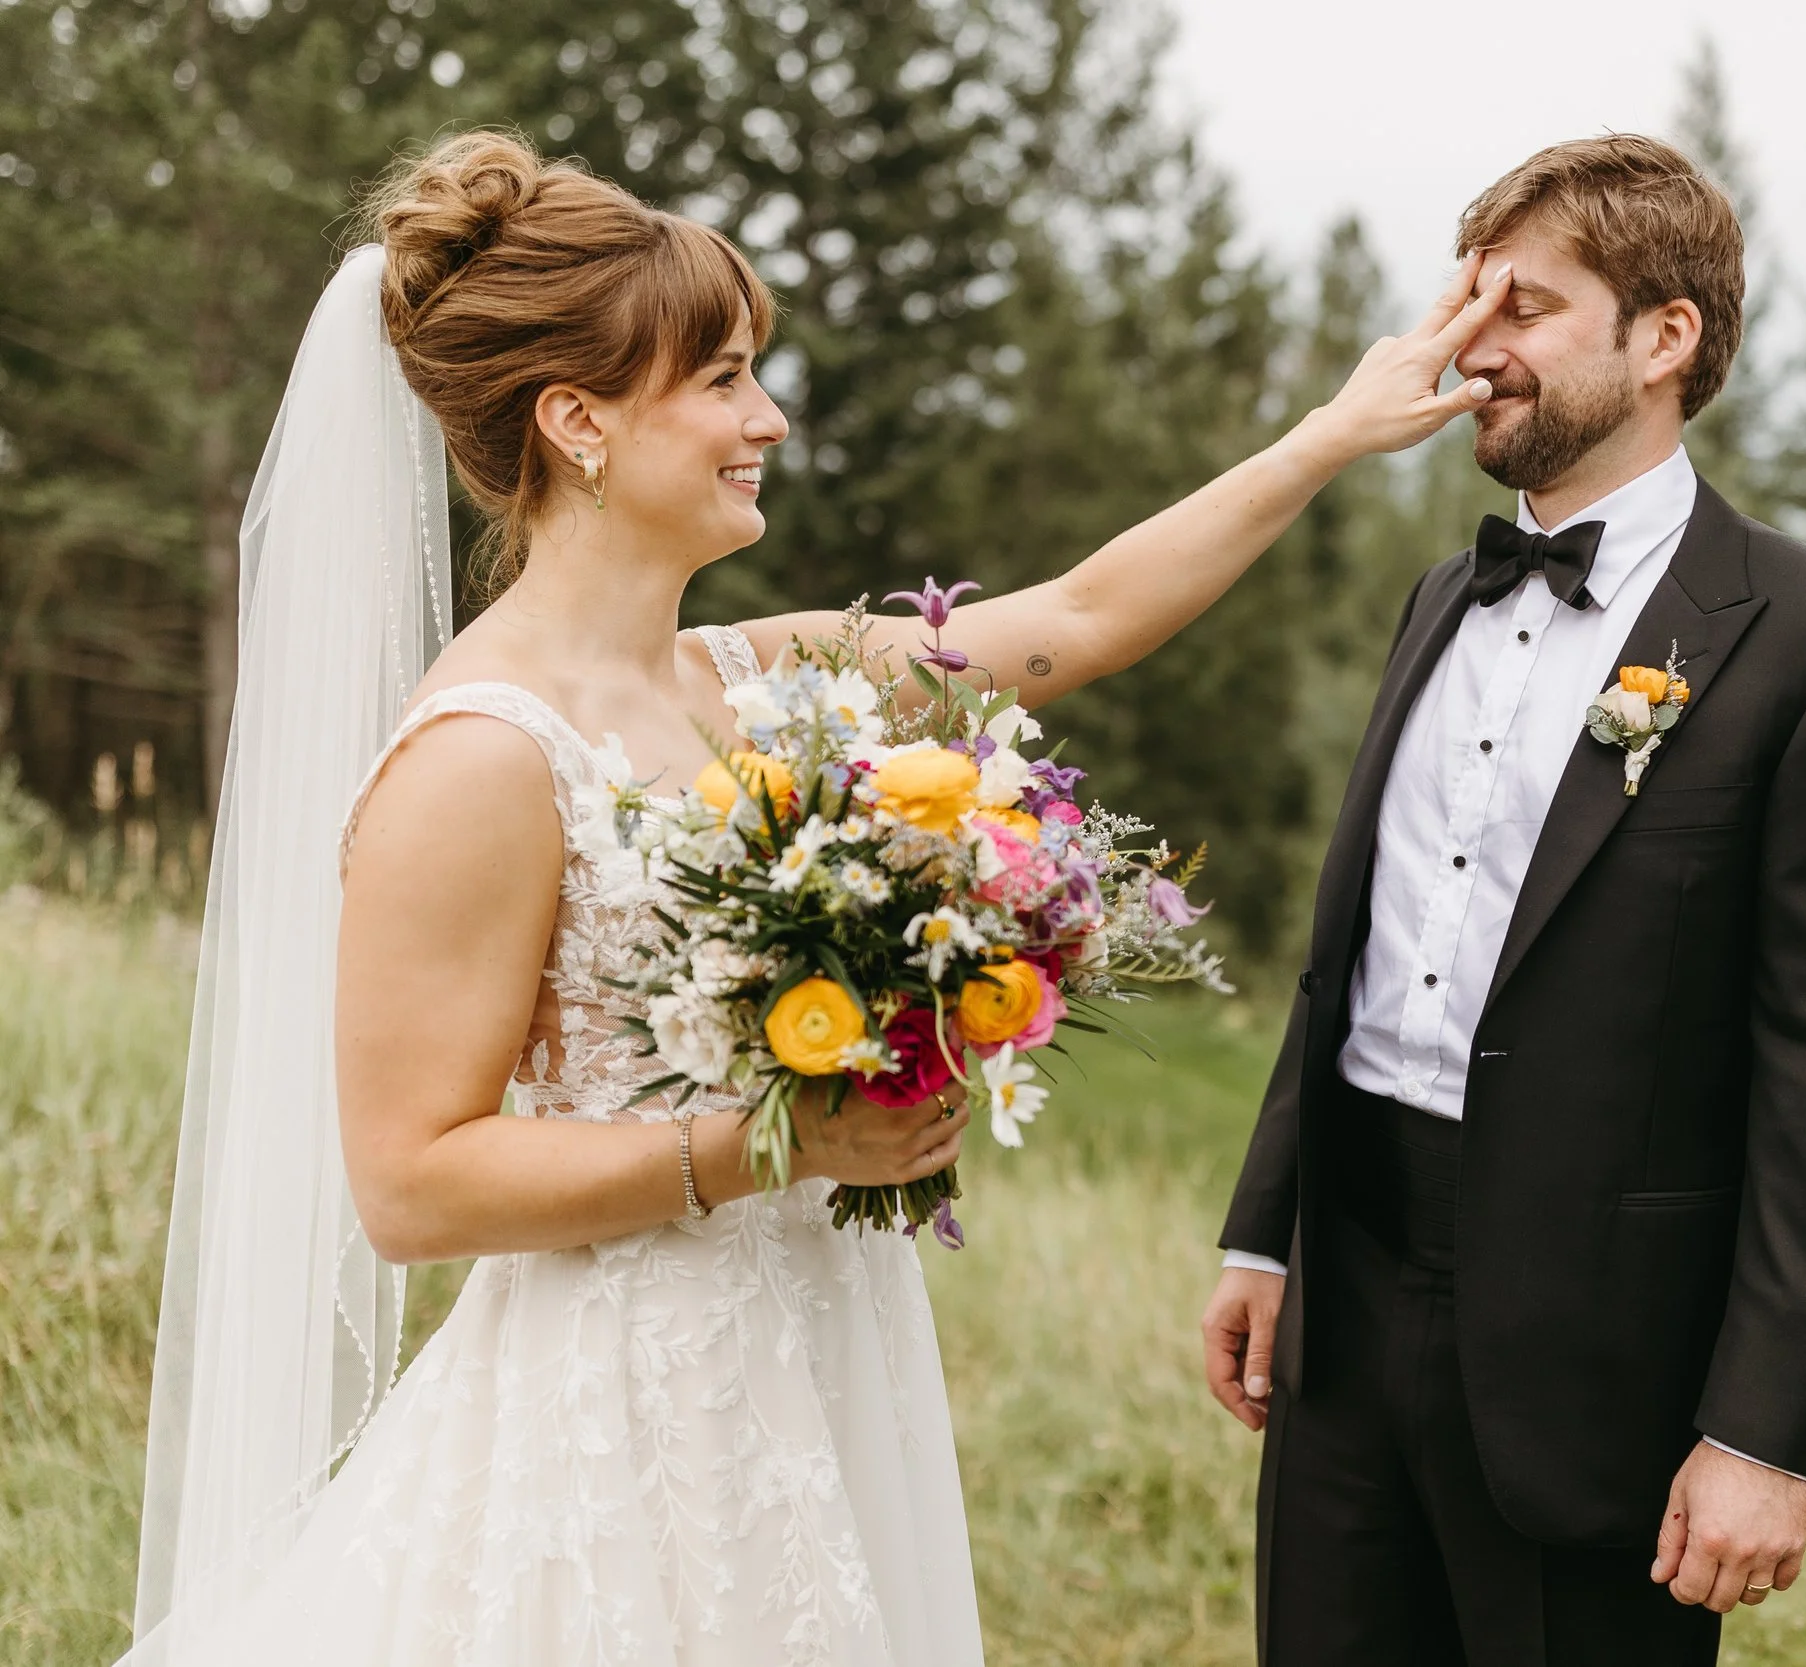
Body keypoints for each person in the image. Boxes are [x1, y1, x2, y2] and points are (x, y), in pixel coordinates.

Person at [126, 129, 1512, 1666]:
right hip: (619, 1410)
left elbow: (1082, 617)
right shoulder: (476, 761)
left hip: (818, 1344)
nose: (767, 419)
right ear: (577, 419)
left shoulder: (755, 674)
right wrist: (771, 1141)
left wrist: (1329, 437)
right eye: (719, 379)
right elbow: (409, 1183)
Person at [1201, 134, 1806, 1664]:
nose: (1473, 346)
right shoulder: (1435, 598)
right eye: (1466, 302)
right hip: (1344, 1306)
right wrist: (1267, 1232)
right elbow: (1354, 949)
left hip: (1604, 1360)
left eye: (1521, 307)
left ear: (1665, 338)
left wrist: (1768, 1431)